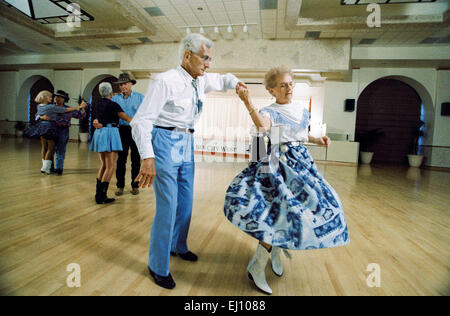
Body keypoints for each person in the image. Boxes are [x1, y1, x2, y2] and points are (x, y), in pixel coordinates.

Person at [131, 33, 247, 290]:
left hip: (187, 143)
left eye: (210, 59)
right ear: (187, 56)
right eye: (205, 58)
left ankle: (177, 246)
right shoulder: (165, 81)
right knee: (168, 206)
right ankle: (157, 265)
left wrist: (238, 84)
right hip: (164, 142)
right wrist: (147, 156)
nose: (208, 64)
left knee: (185, 202)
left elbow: (224, 79)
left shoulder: (200, 80)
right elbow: (141, 121)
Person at [223, 66, 350, 295]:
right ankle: (257, 265)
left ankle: (276, 251)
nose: (289, 87)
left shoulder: (301, 110)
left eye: (290, 83)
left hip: (302, 164)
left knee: (314, 207)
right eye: (283, 84)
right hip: (279, 167)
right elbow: (262, 128)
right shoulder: (269, 112)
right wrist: (247, 102)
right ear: (272, 90)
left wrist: (317, 139)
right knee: (280, 213)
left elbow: (301, 133)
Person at [90, 82, 133, 204]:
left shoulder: (98, 104)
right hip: (110, 133)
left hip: (100, 133)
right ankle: (101, 196)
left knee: (103, 165)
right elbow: (126, 118)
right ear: (110, 92)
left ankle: (98, 195)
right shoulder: (114, 105)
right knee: (110, 166)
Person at [24, 90, 86, 174]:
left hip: (63, 130)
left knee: (60, 149)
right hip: (51, 129)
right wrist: (42, 117)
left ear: (64, 99)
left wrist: (82, 108)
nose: (58, 98)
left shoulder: (68, 109)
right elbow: (37, 115)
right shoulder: (49, 107)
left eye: (60, 97)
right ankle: (49, 168)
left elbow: (80, 116)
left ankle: (59, 169)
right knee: (49, 149)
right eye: (56, 97)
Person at [112, 74, 145, 196]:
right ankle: (120, 186)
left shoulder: (140, 98)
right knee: (121, 160)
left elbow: (145, 115)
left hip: (136, 131)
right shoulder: (115, 99)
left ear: (131, 84)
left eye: (125, 83)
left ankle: (135, 185)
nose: (123, 86)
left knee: (136, 160)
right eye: (121, 84)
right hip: (121, 131)